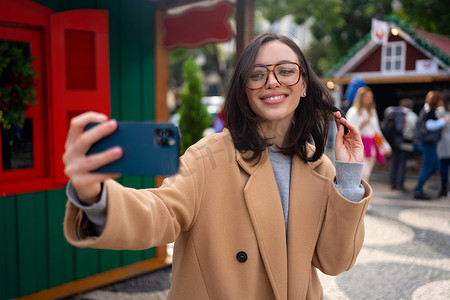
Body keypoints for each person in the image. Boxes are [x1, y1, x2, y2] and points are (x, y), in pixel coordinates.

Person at [62, 32, 372, 299]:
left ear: (303, 85)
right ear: (244, 91)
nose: (272, 81)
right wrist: (95, 195)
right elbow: (160, 211)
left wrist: (348, 176)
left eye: (287, 71)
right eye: (257, 74)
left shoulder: (319, 167)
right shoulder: (208, 156)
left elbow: (335, 262)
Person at [346, 86, 389, 182]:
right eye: (366, 97)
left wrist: (385, 146)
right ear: (360, 98)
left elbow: (377, 131)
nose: (369, 100)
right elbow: (349, 131)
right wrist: (361, 124)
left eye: (370, 97)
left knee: (367, 174)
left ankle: (364, 195)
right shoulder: (353, 112)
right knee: (362, 175)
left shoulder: (372, 111)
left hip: (371, 146)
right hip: (359, 146)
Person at [414, 90, 450, 200]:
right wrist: (443, 121)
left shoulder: (429, 110)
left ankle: (419, 186)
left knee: (435, 165)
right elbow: (430, 126)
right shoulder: (429, 111)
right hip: (428, 143)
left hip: (430, 143)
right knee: (427, 166)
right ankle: (418, 189)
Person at [383, 98, 418, 190]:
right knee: (402, 164)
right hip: (406, 143)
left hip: (394, 142)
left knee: (394, 162)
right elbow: (414, 130)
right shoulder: (412, 116)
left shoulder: (393, 113)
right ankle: (399, 184)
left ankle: (392, 182)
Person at [436, 90, 450, 197]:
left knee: (444, 166)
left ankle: (444, 188)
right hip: (445, 141)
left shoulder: (439, 112)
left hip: (443, 142)